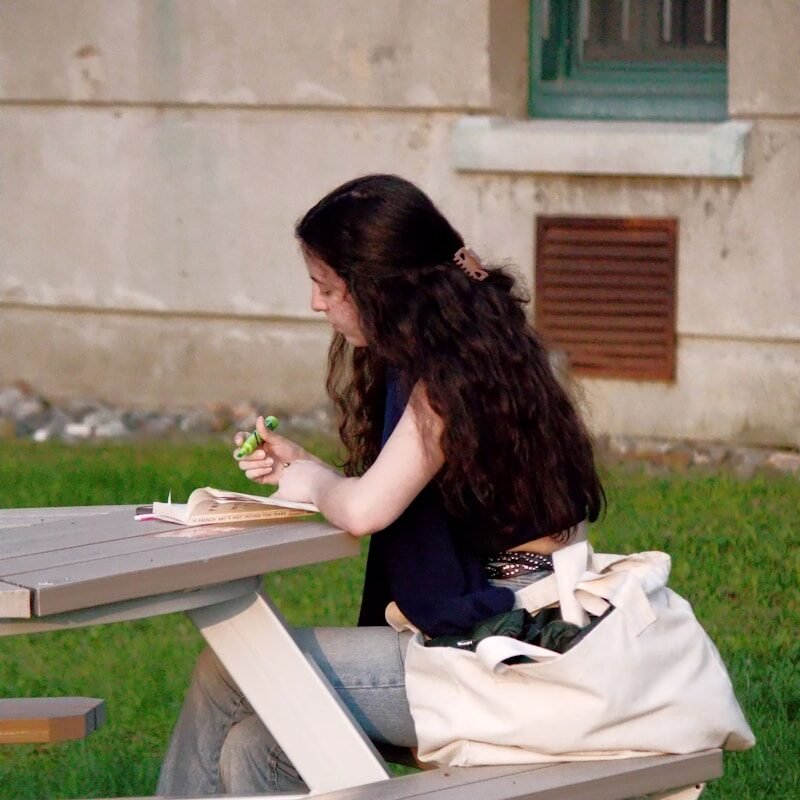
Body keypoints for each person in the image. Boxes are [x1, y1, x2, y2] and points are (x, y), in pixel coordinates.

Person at [157, 174, 605, 795]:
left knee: (231, 669)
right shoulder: (472, 352)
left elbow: (367, 509)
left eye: (327, 287)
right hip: (496, 628)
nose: (317, 304)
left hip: (511, 649)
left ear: (379, 290)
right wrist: (305, 472)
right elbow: (398, 490)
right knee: (256, 751)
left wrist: (314, 481)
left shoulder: (450, 380)